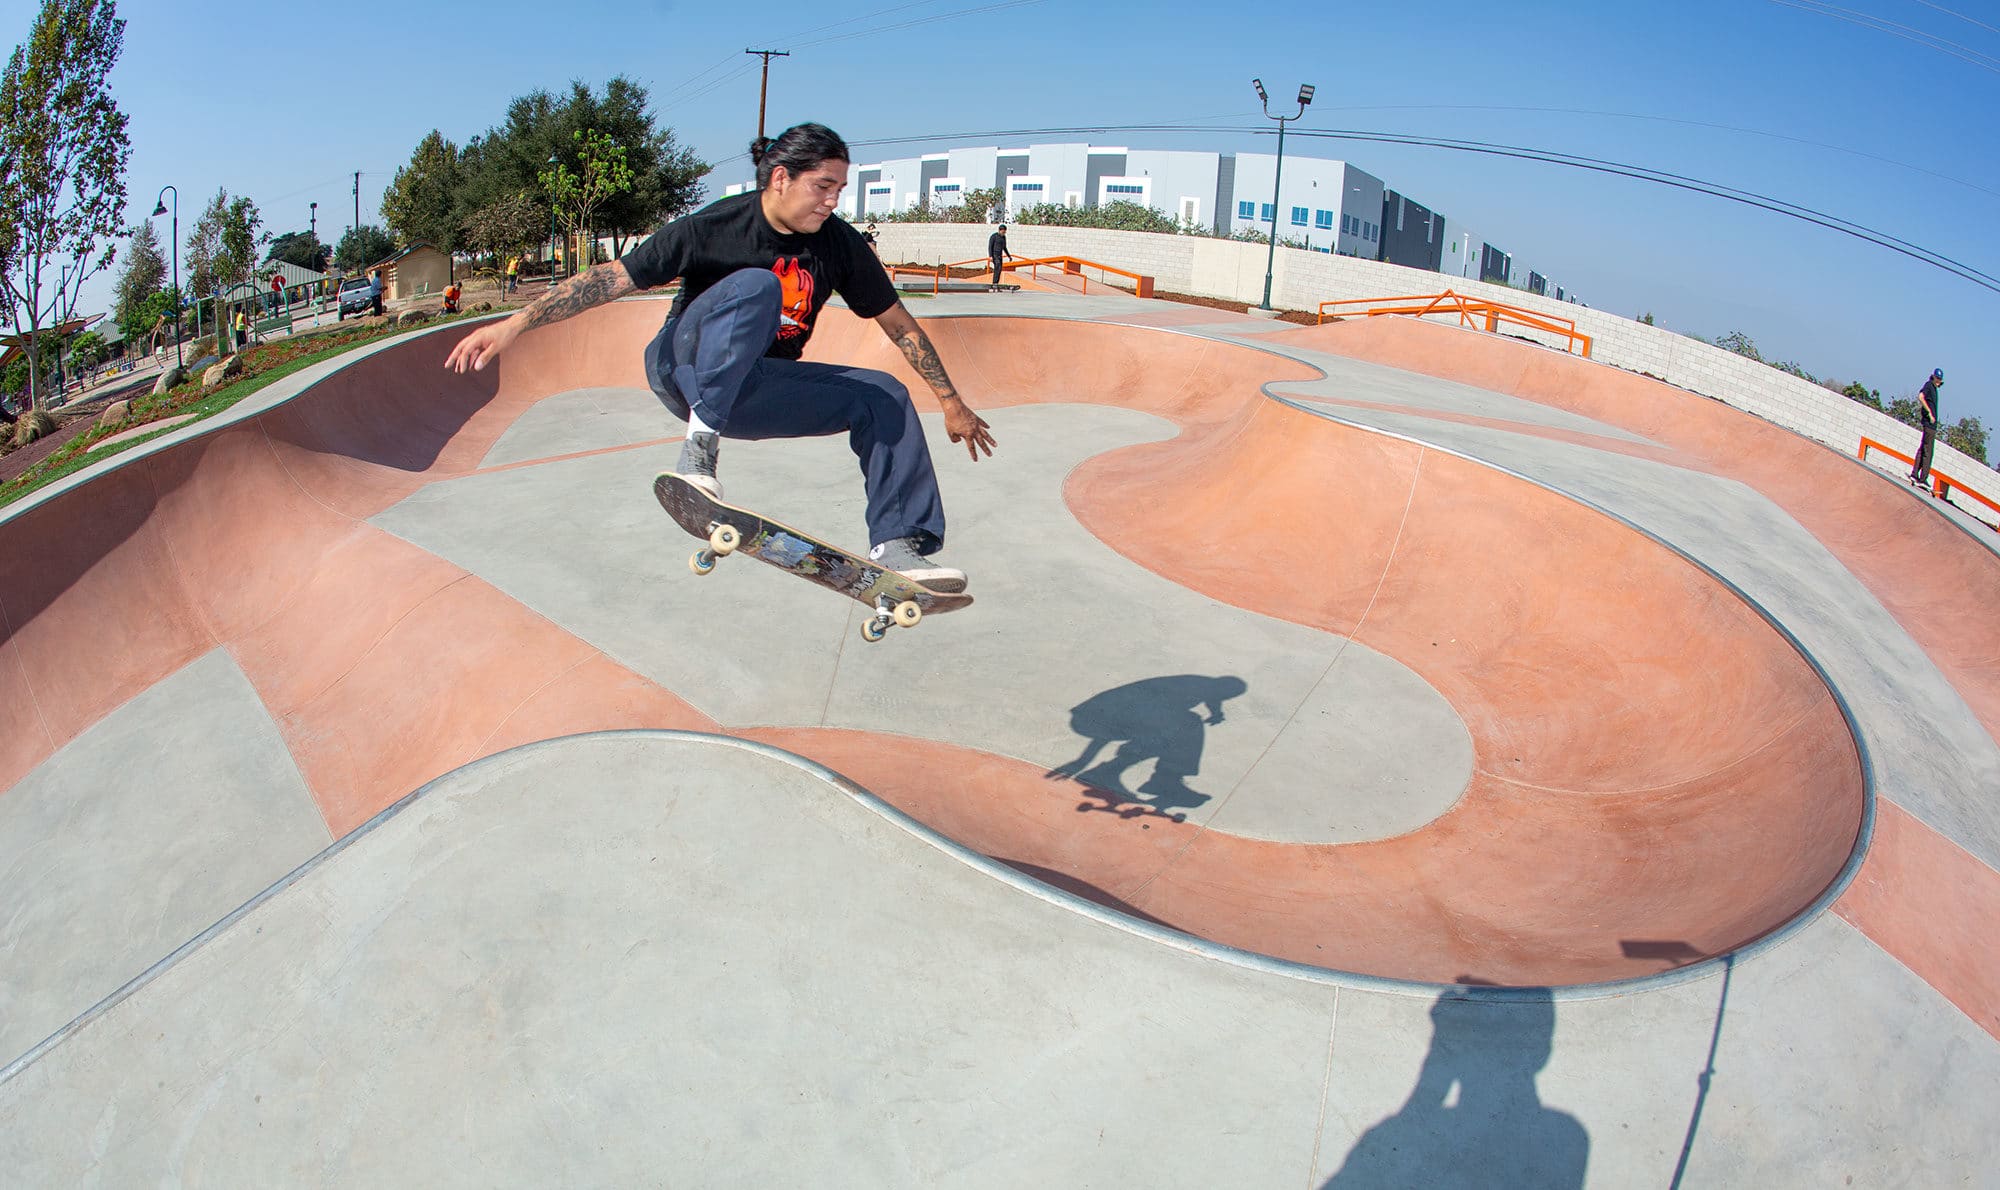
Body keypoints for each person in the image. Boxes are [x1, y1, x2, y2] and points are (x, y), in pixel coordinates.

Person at [444, 121, 997, 590]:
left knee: (884, 395)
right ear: (781, 179)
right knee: (758, 286)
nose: (833, 201)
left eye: (840, 189)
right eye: (823, 187)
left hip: (755, 388)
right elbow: (609, 279)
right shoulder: (713, 227)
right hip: (681, 368)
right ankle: (698, 453)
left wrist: (951, 401)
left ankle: (898, 546)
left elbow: (896, 322)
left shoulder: (839, 244)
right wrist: (515, 324)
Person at [1911, 367, 1944, 488]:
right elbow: (1921, 396)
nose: (1938, 381)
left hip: (1930, 424)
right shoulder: (1929, 385)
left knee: (1923, 448)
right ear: (1933, 377)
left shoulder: (1934, 388)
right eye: (1937, 378)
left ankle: (1915, 474)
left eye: (1940, 379)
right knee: (1928, 452)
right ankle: (1923, 478)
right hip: (1929, 424)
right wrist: (1929, 413)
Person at [987, 223, 1014, 289]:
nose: (1004, 233)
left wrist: (1009, 256)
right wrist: (990, 256)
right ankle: (994, 283)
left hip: (1000, 255)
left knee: (999, 269)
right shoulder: (994, 236)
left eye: (1004, 232)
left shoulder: (1003, 237)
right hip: (994, 255)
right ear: (999, 230)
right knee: (997, 267)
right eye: (1003, 232)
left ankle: (996, 283)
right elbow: (990, 246)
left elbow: (1004, 247)